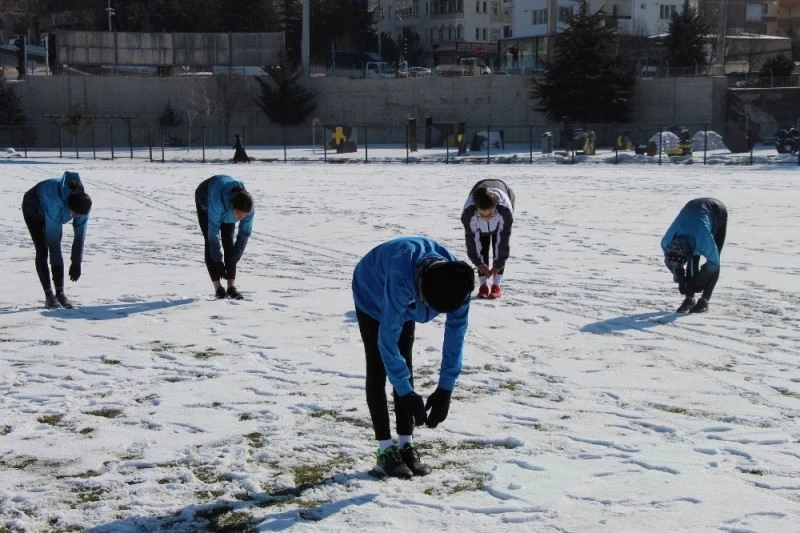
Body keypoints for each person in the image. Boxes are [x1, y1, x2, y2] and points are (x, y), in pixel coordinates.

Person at [352, 236, 474, 478]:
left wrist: (445, 389)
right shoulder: (400, 279)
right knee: (379, 366)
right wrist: (406, 393)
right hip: (371, 289)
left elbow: (455, 337)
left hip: (407, 295)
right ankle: (385, 451)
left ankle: (406, 445)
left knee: (405, 361)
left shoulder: (459, 282)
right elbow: (386, 343)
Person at [21, 171, 92, 309]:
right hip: (33, 209)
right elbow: (53, 244)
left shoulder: (82, 204)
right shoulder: (54, 202)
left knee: (56, 247)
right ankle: (49, 295)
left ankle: (60, 293)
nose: (77, 218)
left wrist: (76, 262)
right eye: (75, 215)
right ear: (69, 209)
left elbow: (79, 236)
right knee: (44, 249)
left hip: (53, 206)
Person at [661, 198, 728, 314]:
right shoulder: (666, 242)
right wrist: (679, 276)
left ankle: (704, 300)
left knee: (715, 257)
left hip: (717, 211)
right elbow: (670, 262)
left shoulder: (703, 241)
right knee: (690, 259)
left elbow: (714, 263)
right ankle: (689, 298)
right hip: (693, 211)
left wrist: (699, 281)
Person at [195, 175, 254, 300]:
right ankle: (218, 288)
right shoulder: (216, 203)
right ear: (232, 207)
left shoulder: (249, 210)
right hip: (205, 198)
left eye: (243, 216)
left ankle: (231, 287)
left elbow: (244, 235)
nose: (240, 219)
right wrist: (218, 261)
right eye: (238, 215)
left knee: (229, 241)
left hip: (227, 201)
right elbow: (213, 235)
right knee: (209, 242)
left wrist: (233, 259)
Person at [460, 179, 515, 299]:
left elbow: (503, 241)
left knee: (498, 245)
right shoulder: (469, 213)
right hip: (479, 226)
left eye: (490, 215)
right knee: (482, 246)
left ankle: (496, 285)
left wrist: (498, 264)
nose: (486, 219)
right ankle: (483, 285)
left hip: (504, 193)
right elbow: (472, 241)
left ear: (495, 207)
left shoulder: (504, 210)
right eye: (482, 215)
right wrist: (479, 264)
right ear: (477, 208)